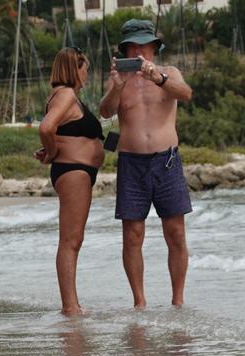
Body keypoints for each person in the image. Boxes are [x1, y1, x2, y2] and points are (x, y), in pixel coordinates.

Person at [99, 19, 193, 309]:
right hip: (132, 162)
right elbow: (105, 112)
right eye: (134, 46)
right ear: (125, 50)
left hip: (167, 160)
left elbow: (187, 94)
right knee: (133, 234)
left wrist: (158, 78)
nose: (140, 52)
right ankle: (139, 301)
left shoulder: (169, 72)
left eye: (145, 46)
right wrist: (117, 86)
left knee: (175, 231)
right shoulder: (117, 79)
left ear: (154, 48)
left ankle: (178, 300)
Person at [38, 47, 103, 315]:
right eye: (84, 68)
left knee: (73, 239)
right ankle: (70, 306)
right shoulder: (65, 94)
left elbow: (57, 130)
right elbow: (46, 127)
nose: (86, 75)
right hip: (73, 170)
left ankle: (72, 303)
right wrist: (52, 152)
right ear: (73, 68)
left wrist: (53, 148)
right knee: (71, 240)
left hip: (77, 170)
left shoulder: (65, 96)